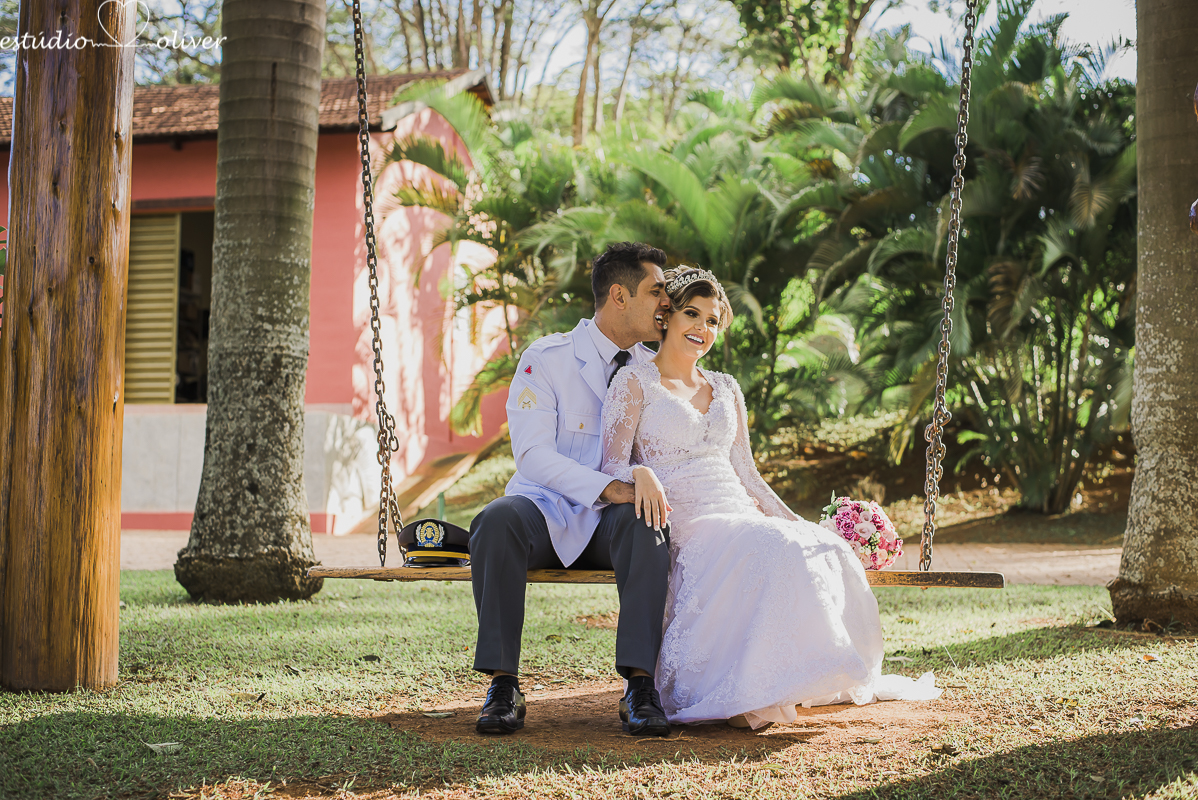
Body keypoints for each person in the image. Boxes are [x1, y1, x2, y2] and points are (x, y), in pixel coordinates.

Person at [600, 266, 942, 730]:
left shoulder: (725, 387)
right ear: (667, 317)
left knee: (810, 544)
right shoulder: (634, 382)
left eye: (713, 321)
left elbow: (748, 473)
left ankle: (784, 677)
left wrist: (796, 520)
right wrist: (640, 471)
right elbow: (610, 465)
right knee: (768, 546)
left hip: (737, 510)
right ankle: (745, 686)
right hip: (687, 520)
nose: (702, 329)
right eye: (692, 314)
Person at [469, 242, 676, 737]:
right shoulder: (548, 358)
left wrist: (633, 490)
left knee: (650, 521)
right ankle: (503, 684)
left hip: (615, 525)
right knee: (496, 519)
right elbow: (534, 457)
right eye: (657, 291)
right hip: (546, 511)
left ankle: (640, 686)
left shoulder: (655, 369)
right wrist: (610, 485)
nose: (666, 303)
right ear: (620, 296)